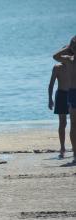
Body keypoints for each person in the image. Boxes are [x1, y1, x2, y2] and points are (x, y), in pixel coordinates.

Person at [53, 36, 76, 164]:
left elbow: (56, 56)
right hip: (71, 94)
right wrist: (68, 48)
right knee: (72, 124)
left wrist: (69, 48)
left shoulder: (70, 61)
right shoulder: (69, 61)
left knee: (73, 124)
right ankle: (73, 152)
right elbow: (55, 57)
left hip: (71, 93)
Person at [48, 62, 69, 158]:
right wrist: (50, 99)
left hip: (72, 93)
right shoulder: (57, 67)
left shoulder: (73, 65)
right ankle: (62, 148)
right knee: (62, 123)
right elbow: (51, 83)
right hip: (61, 95)